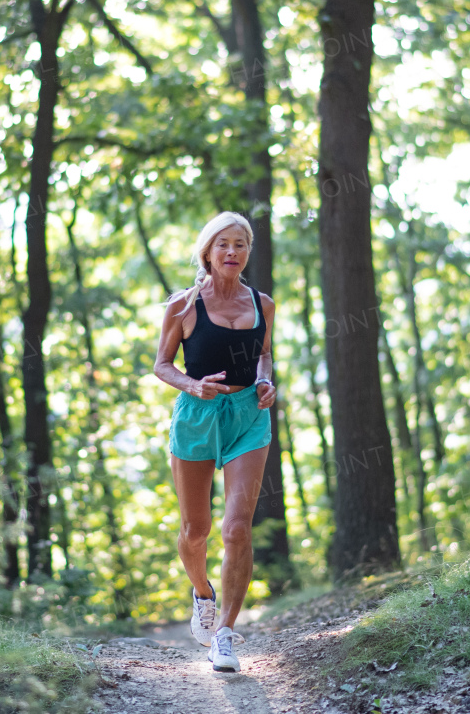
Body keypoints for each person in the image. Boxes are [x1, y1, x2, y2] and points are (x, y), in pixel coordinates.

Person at [153, 212, 277, 673]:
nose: (232, 252)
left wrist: (266, 383)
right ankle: (202, 594)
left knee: (237, 528)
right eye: (223, 244)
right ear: (207, 250)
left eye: (240, 245)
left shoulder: (262, 304)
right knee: (196, 531)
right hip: (198, 418)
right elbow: (162, 365)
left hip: (248, 417)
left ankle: (224, 633)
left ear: (248, 252)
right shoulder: (182, 306)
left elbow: (264, 357)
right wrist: (192, 385)